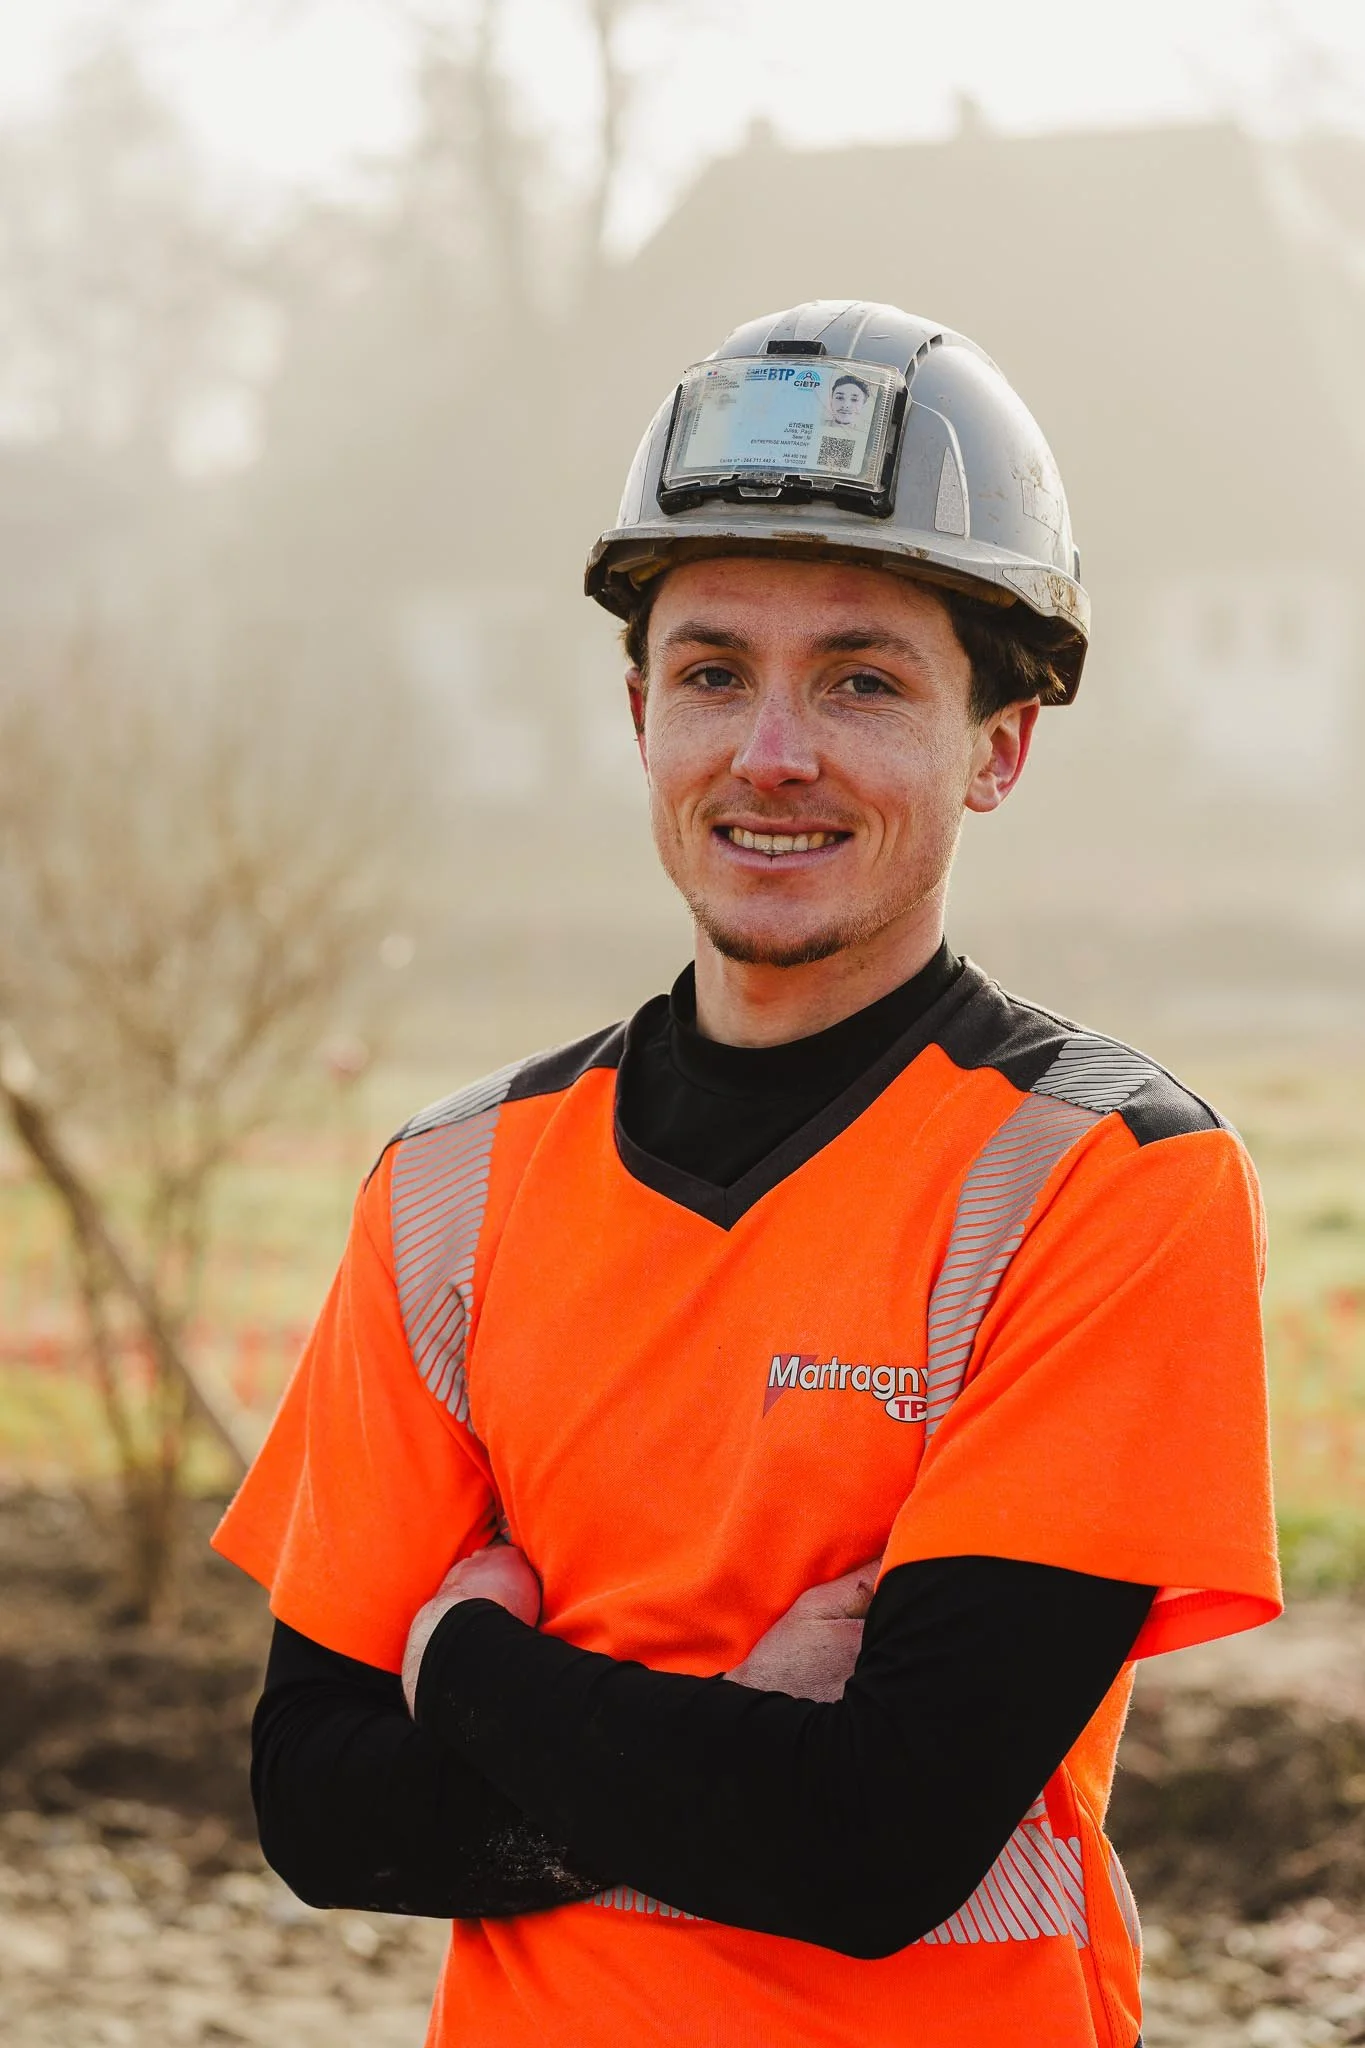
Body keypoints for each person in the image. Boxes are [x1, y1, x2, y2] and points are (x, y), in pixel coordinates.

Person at [212, 299, 1280, 2048]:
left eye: (863, 679)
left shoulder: (1107, 1177)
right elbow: (317, 1805)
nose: (771, 754)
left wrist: (465, 1668)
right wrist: (730, 1725)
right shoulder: (452, 1187)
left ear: (997, 745)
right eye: (714, 671)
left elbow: (875, 1839)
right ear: (641, 714)